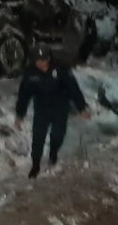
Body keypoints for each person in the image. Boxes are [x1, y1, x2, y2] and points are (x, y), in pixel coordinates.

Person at [15, 46, 90, 178]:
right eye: (39, 61)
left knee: (58, 135)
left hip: (60, 108)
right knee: (38, 137)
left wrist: (82, 107)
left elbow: (73, 88)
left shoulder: (60, 69)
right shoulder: (30, 74)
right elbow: (23, 96)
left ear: (49, 58)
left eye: (45, 59)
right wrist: (20, 115)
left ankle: (53, 152)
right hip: (41, 109)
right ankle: (35, 164)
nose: (42, 63)